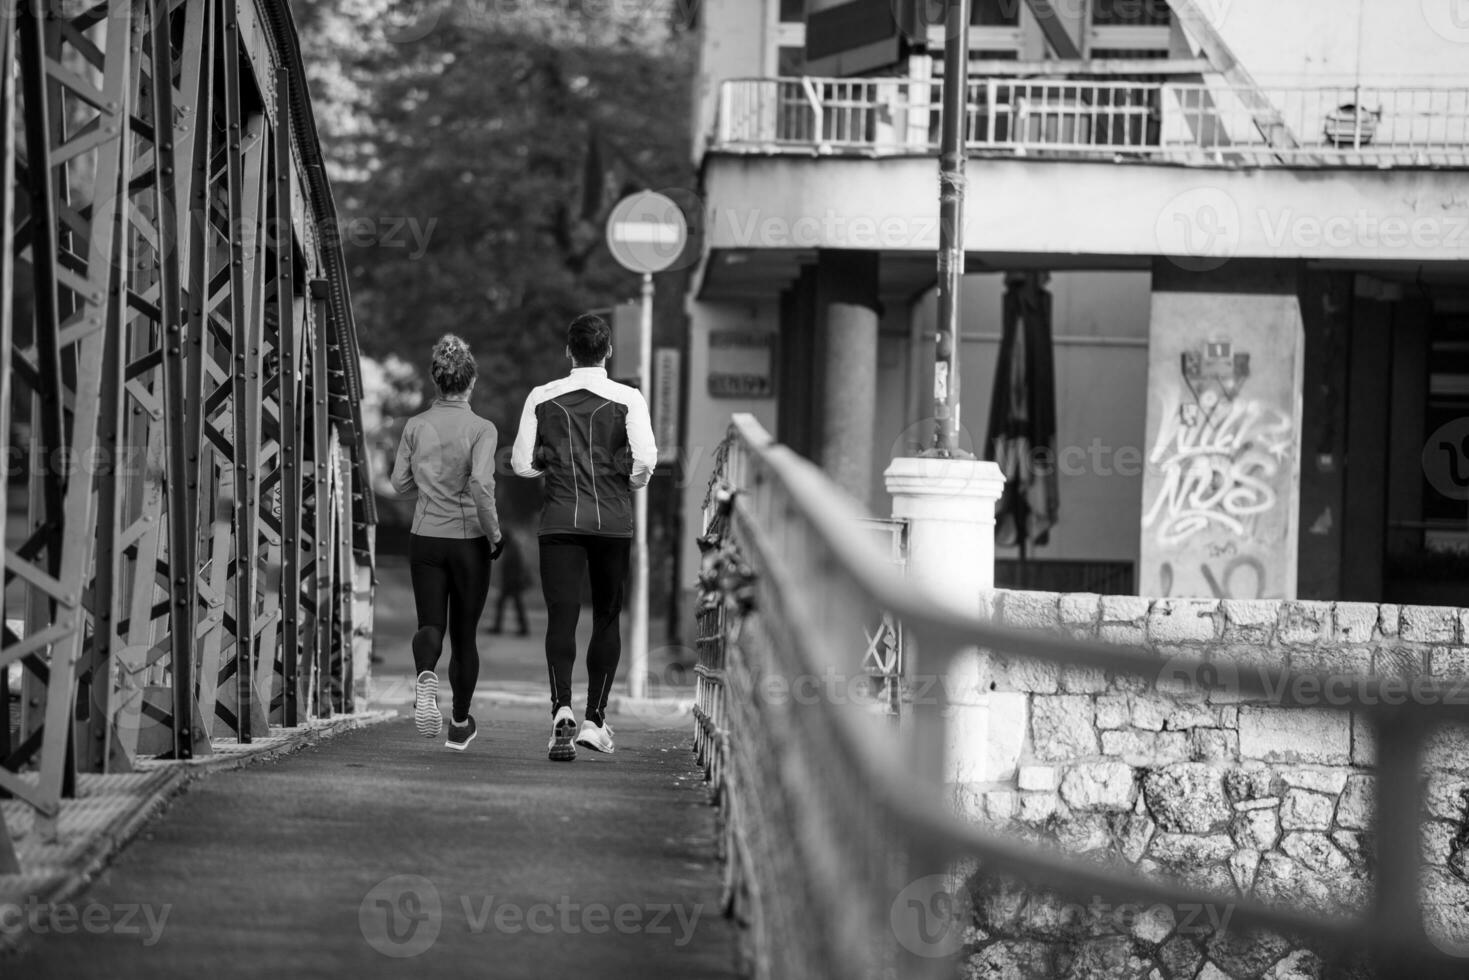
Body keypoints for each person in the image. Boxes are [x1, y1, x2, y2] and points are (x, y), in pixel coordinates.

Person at [512, 314, 656, 761]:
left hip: (559, 520)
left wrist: (546, 468)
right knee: (607, 617)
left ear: (568, 351)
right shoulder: (628, 397)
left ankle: (560, 711)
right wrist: (631, 480)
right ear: (608, 351)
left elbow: (519, 463)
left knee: (562, 617)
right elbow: (647, 457)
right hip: (612, 522)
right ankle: (595, 719)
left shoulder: (541, 397)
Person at [390, 334, 504, 751]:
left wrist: (426, 481)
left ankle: (424, 674)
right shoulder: (482, 429)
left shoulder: (416, 425)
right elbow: (480, 484)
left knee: (431, 624)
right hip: (469, 541)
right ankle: (459, 722)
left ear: (437, 383)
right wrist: (494, 533)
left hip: (425, 539)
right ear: (471, 383)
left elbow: (399, 483)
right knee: (465, 635)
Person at [489, 531, 529, 636]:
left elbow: (512, 568)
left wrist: (508, 581)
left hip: (512, 582)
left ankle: (499, 627)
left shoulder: (512, 549)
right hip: (513, 582)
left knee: (507, 604)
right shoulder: (513, 547)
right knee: (515, 605)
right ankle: (523, 628)